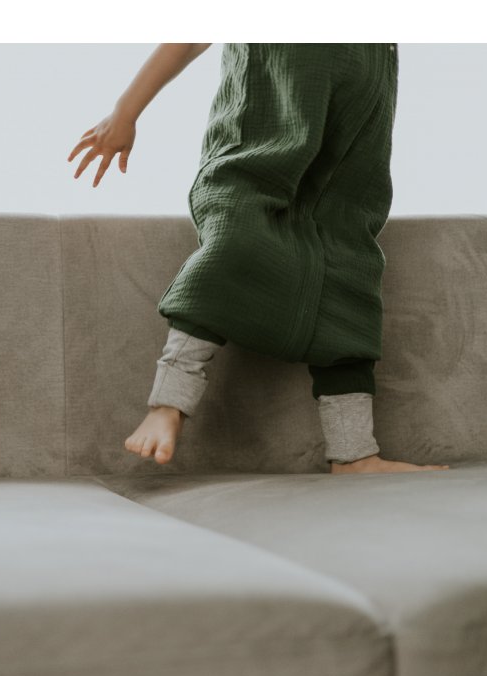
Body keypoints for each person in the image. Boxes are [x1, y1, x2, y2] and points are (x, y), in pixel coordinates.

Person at [67, 43, 450, 475]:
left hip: (354, 136)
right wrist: (126, 111)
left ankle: (355, 453)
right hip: (268, 117)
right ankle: (167, 404)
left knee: (349, 271)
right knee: (237, 240)